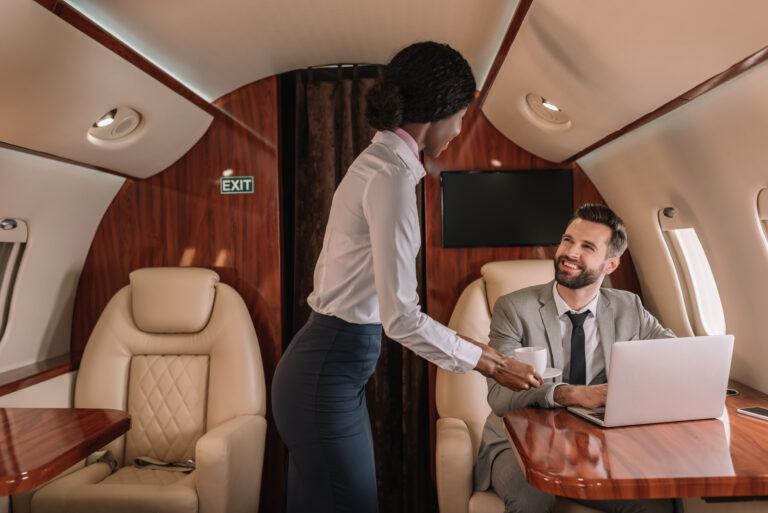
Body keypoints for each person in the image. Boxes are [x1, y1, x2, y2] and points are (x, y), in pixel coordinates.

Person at [271, 41, 542, 513]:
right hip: (325, 374)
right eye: (460, 115)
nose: (459, 129)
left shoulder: (382, 167)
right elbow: (400, 318)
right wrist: (491, 365)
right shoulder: (391, 177)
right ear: (438, 112)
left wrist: (483, 351)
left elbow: (384, 308)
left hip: (327, 370)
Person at [474, 203, 676, 513]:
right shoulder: (514, 309)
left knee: (654, 504)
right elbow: (499, 398)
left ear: (610, 265)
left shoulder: (629, 307)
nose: (570, 251)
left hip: (598, 447)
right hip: (517, 444)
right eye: (568, 240)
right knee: (531, 500)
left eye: (587, 247)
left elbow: (673, 354)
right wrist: (567, 393)